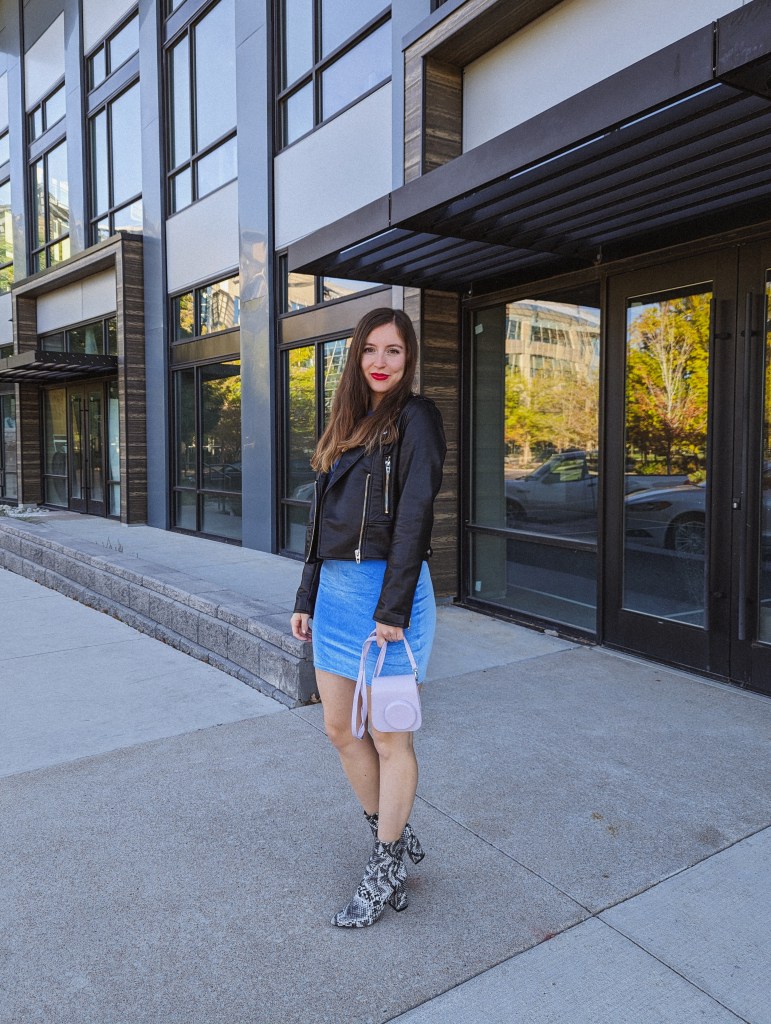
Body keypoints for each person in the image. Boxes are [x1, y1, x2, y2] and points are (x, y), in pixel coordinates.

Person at [290, 307, 446, 928]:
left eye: (395, 352)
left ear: (408, 362)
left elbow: (415, 515)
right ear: (356, 357)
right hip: (335, 595)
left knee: (389, 735)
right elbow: (318, 525)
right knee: (338, 727)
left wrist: (394, 608)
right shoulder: (345, 424)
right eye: (371, 351)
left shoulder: (416, 419)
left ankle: (384, 863)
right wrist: (306, 596)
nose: (382, 362)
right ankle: (396, 839)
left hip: (390, 599)